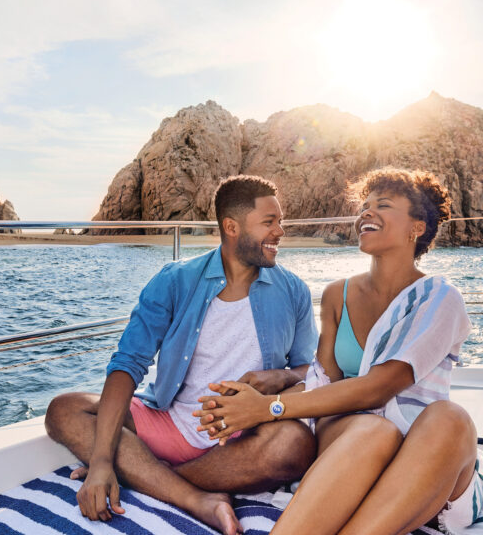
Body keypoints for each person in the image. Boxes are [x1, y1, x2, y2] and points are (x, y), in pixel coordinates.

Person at [195, 167, 483, 535]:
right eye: (364, 206)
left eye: (382, 205)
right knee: (374, 431)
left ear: (417, 227)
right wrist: (242, 407)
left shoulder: (440, 299)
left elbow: (379, 388)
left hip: (422, 462)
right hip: (351, 440)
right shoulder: (337, 295)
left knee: (451, 419)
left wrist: (269, 407)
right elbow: (320, 383)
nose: (366, 213)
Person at [45, 174, 318, 535]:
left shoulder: (294, 291)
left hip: (243, 438)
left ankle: (151, 476)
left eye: (280, 221)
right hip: (170, 423)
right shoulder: (176, 280)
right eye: (269, 222)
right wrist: (100, 465)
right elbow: (127, 364)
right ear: (231, 227)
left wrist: (282, 376)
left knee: (295, 445)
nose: (280, 231)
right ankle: (196, 498)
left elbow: (312, 371)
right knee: (64, 410)